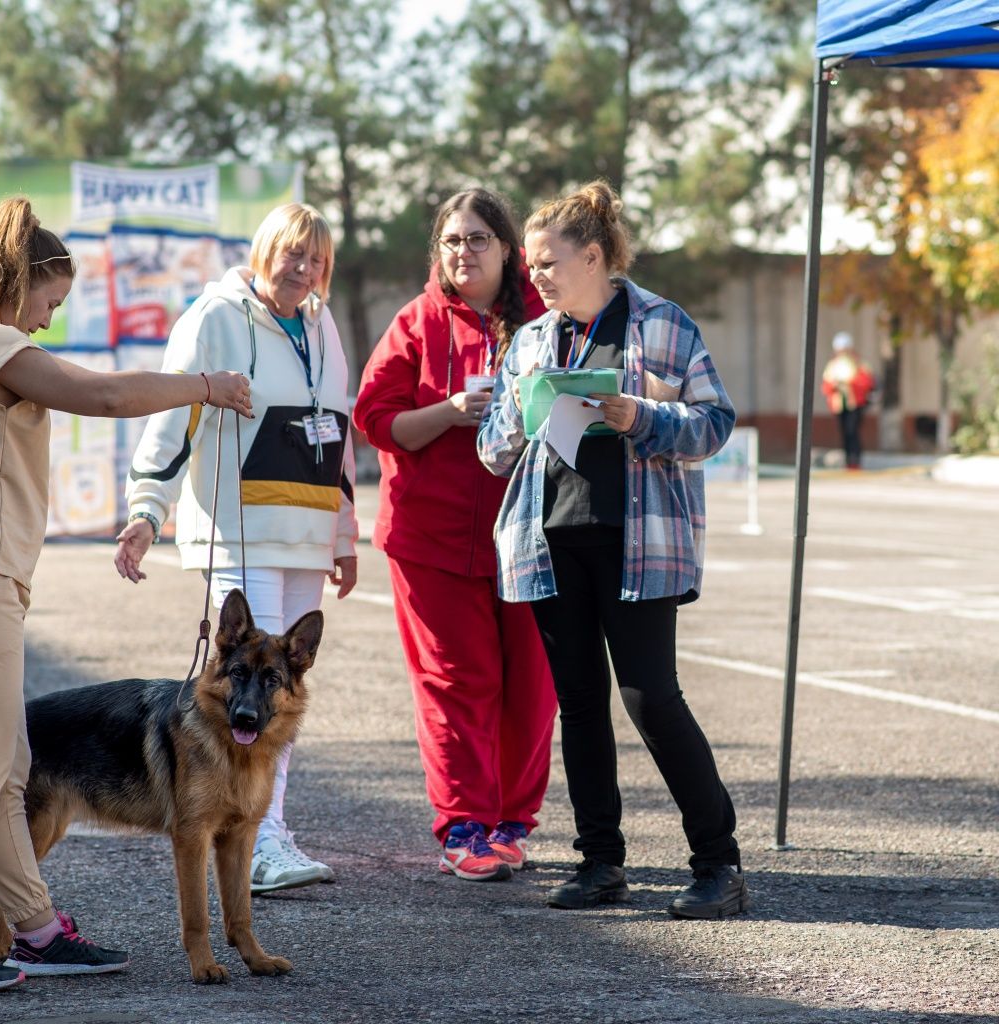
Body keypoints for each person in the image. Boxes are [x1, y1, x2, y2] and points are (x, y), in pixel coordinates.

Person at [0, 196, 252, 994]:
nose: (49, 323)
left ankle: (35, 929)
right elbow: (106, 396)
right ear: (19, 284)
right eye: (50, 302)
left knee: (6, 763)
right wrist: (205, 385)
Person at [477, 180, 750, 919]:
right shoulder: (532, 338)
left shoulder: (663, 324)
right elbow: (492, 452)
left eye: (545, 262)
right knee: (580, 706)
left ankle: (718, 864)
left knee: (650, 698)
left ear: (593, 256)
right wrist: (520, 407)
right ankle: (600, 863)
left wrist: (643, 416)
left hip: (640, 546)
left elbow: (714, 423)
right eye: (530, 264)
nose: (532, 274)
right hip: (550, 545)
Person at [114, 202, 358, 895]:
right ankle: (254, 841)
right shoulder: (214, 317)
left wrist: (342, 531)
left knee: (283, 691)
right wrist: (145, 511)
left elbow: (333, 430)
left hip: (307, 533)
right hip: (240, 529)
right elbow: (171, 419)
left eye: (315, 258)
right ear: (262, 251)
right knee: (241, 690)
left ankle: (266, 832)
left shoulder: (322, 323)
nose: (302, 268)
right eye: (290, 253)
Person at [353, 188, 556, 883]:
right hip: (431, 538)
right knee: (455, 682)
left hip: (532, 532)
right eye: (451, 241)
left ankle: (511, 821)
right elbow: (376, 421)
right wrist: (446, 411)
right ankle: (464, 823)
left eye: (477, 239)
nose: (463, 252)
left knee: (531, 684)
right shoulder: (415, 324)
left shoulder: (547, 321)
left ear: (508, 250)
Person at [821, 331, 876, 469]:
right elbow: (826, 385)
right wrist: (835, 385)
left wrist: (849, 384)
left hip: (855, 404)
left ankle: (855, 460)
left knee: (853, 432)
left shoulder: (859, 364)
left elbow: (867, 382)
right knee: (845, 433)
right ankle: (848, 461)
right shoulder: (832, 365)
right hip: (839, 404)